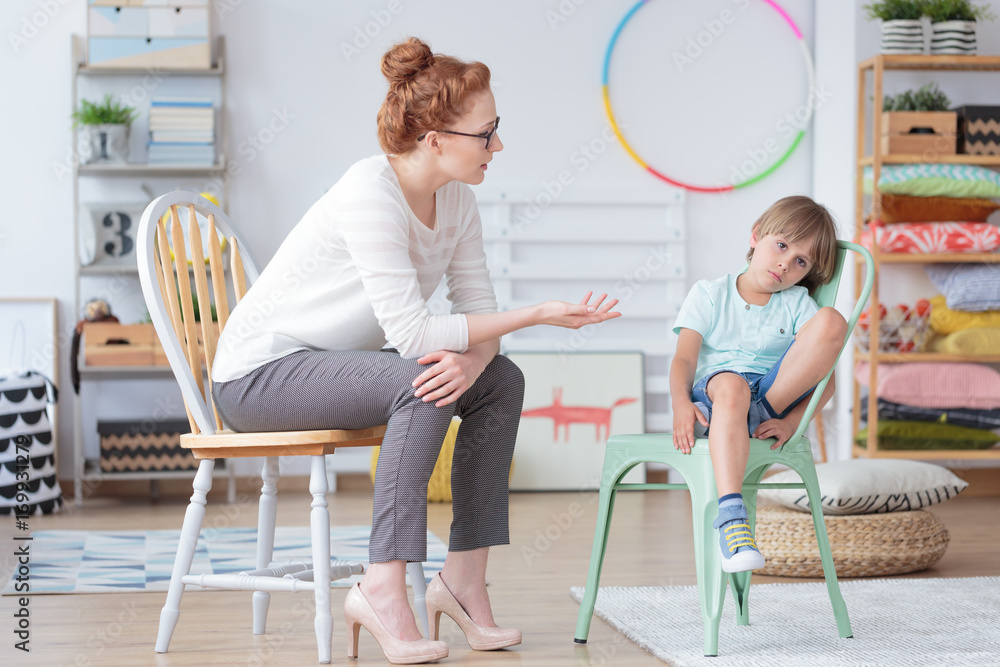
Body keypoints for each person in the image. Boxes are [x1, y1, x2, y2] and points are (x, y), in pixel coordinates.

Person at [210, 37, 620, 664]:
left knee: (500, 380)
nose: (498, 146)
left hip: (344, 365)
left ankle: (461, 581)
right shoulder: (368, 192)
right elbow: (412, 337)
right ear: (435, 140)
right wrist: (537, 313)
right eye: (486, 134)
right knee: (423, 378)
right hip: (259, 376)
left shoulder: (458, 202)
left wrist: (478, 358)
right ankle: (382, 585)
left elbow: (480, 322)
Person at [669, 196, 846, 573]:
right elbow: (684, 358)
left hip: (768, 401)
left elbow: (823, 383)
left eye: (801, 261)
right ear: (756, 236)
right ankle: (732, 521)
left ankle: (748, 419)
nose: (785, 263)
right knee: (732, 386)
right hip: (716, 393)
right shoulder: (710, 293)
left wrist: (792, 423)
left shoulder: (798, 303)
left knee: (831, 321)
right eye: (781, 246)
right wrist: (681, 404)